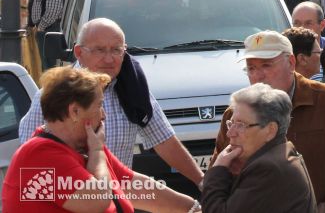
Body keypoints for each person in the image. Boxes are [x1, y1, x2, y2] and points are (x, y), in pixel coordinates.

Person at [19, 18, 205, 187]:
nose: (109, 59)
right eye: (99, 50)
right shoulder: (51, 97)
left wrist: (202, 182)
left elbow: (164, 141)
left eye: (116, 50)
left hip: (118, 198)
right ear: (79, 52)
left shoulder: (132, 89)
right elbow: (29, 163)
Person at [212, 30, 325, 212]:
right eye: (251, 68)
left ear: (291, 63)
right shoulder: (235, 115)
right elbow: (220, 172)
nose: (258, 76)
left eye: (266, 65)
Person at [2, 66, 198, 212]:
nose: (103, 115)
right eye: (99, 106)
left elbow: (134, 184)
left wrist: (193, 208)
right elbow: (99, 199)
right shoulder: (40, 155)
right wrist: (96, 153)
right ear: (75, 111)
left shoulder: (85, 145)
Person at [203, 83, 316, 212]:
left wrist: (218, 169)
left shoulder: (268, 169)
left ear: (270, 130)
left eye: (241, 125)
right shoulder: (279, 155)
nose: (230, 133)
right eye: (231, 123)